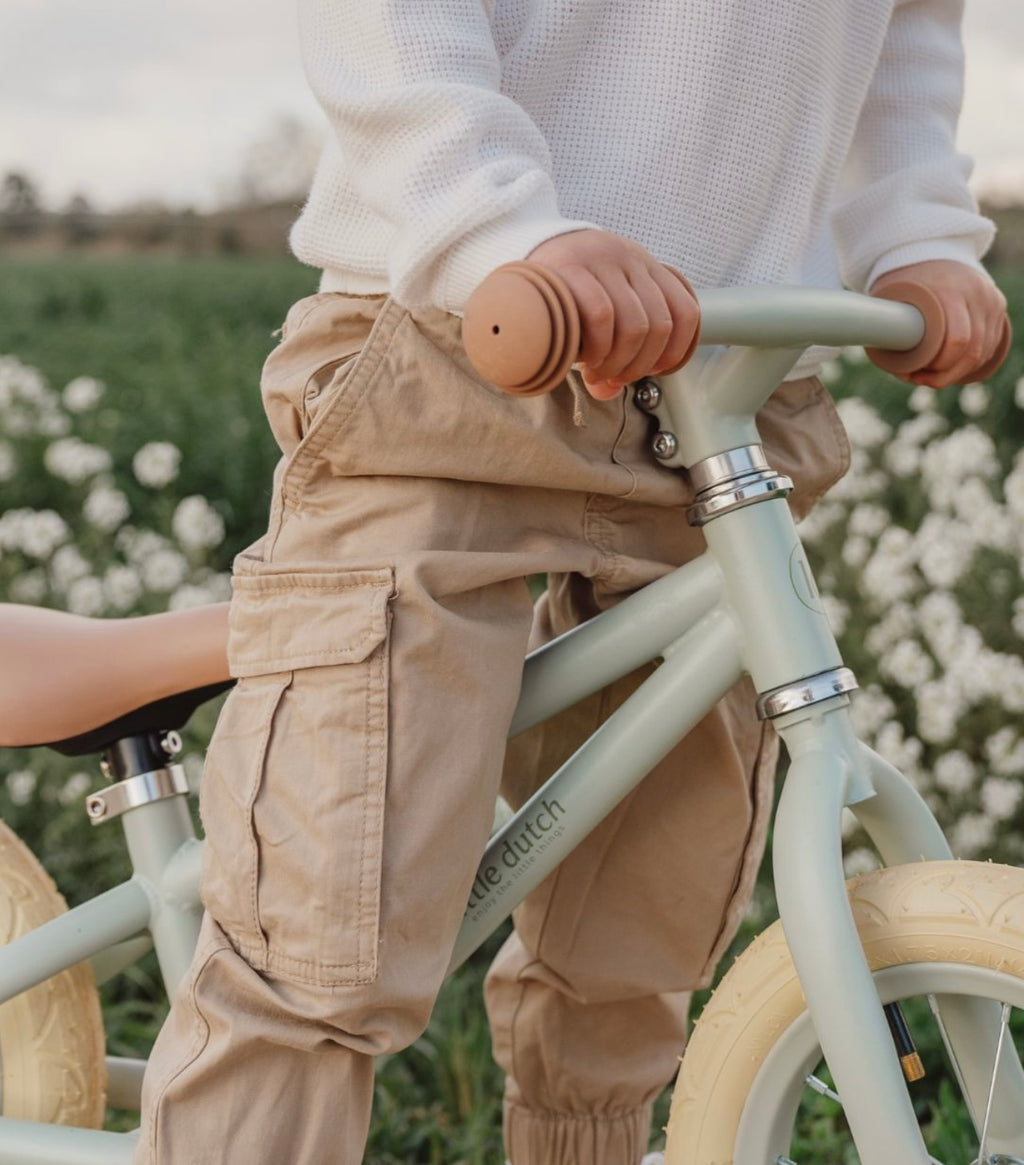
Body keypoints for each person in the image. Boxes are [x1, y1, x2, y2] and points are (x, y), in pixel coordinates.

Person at [135, 2, 1008, 1163]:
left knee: (637, 937)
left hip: (731, 380)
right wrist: (498, 220)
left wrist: (914, 226)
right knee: (323, 929)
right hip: (461, 344)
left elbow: (902, 29)